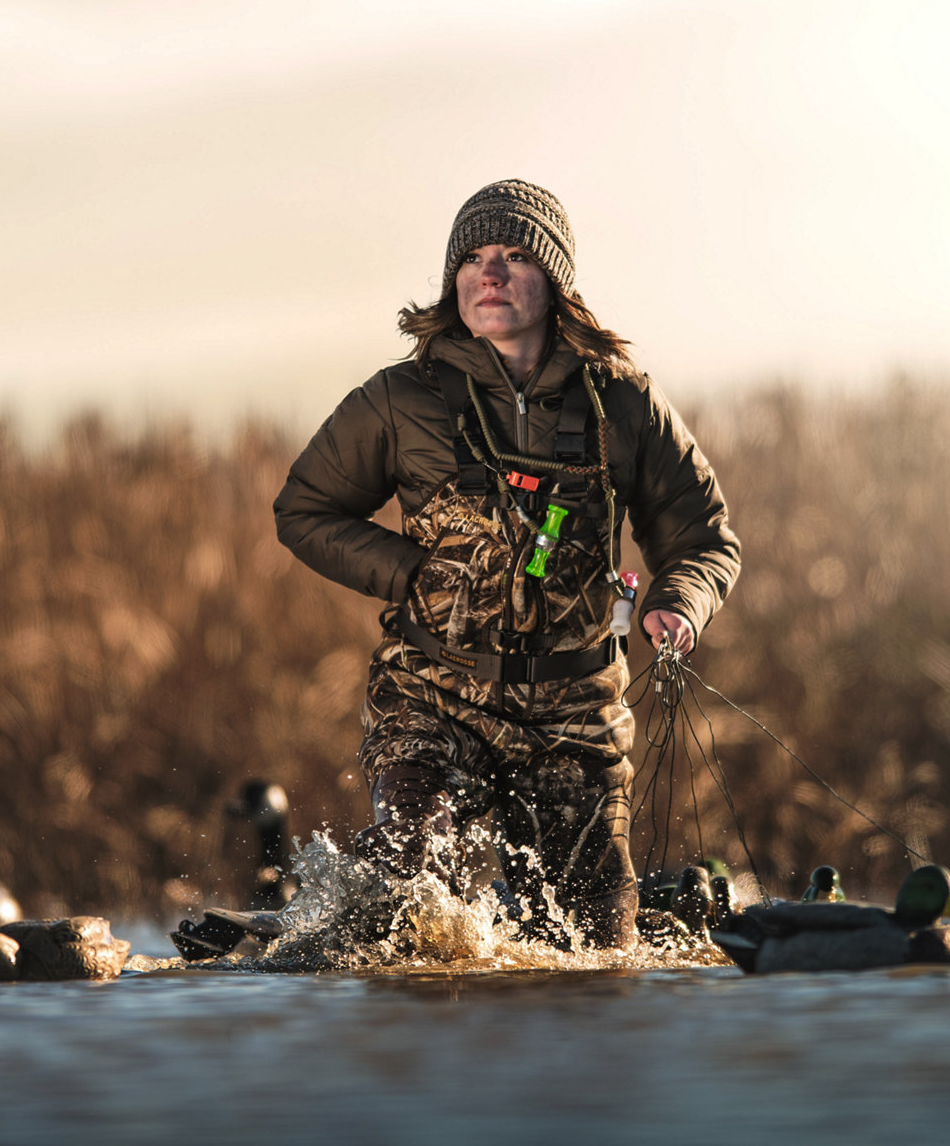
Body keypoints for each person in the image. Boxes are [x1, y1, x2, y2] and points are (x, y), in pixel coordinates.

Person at [274, 179, 740, 949]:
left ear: (553, 282)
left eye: (516, 255)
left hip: (577, 712)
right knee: (412, 905)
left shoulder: (623, 404)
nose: (490, 273)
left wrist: (678, 602)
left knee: (596, 952)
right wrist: (409, 574)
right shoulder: (398, 399)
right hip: (433, 693)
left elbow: (704, 536)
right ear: (455, 281)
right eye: (475, 258)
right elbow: (304, 511)